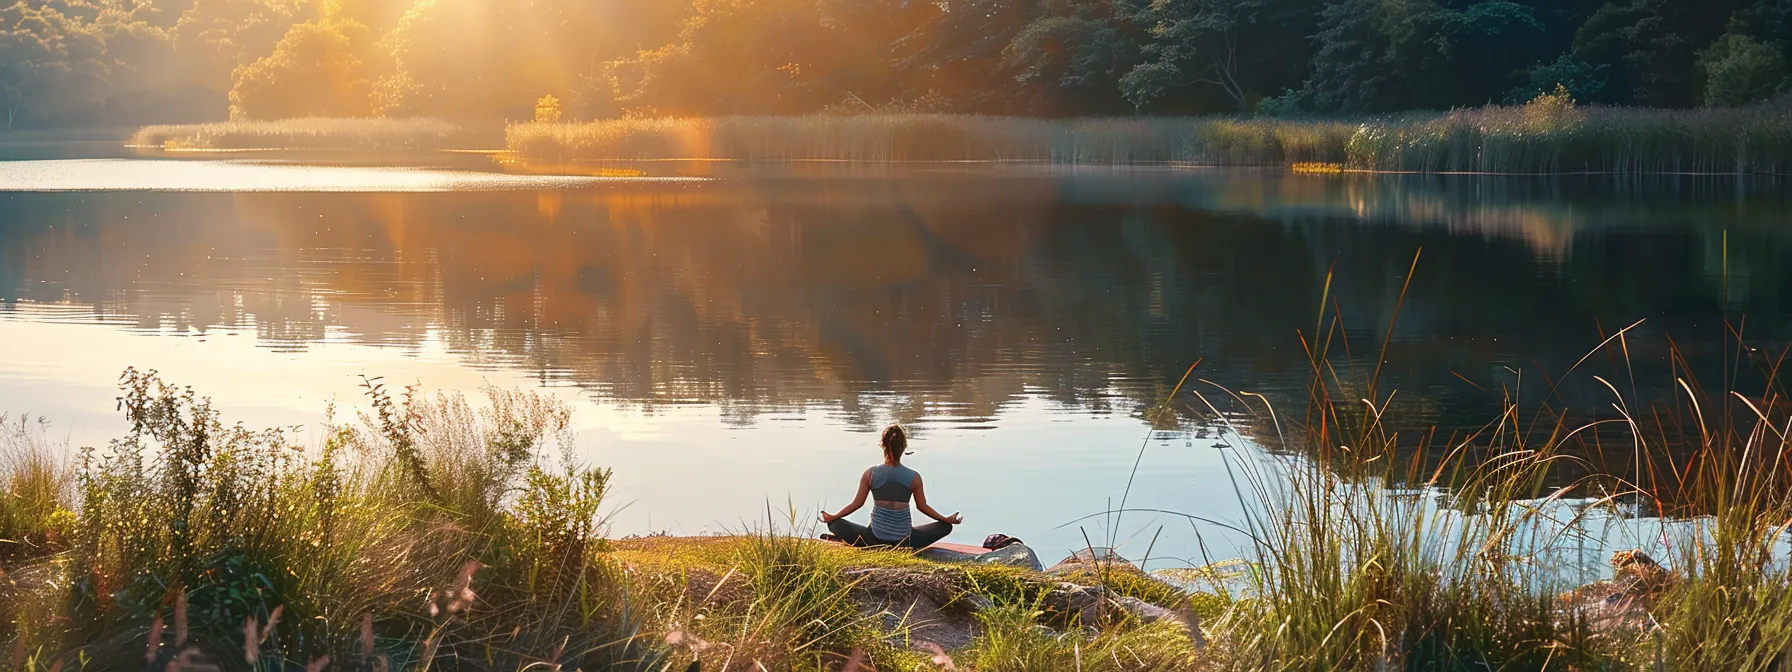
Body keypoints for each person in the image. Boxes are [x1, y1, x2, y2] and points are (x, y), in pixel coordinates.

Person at [820, 424, 962, 549]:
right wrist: (945, 519)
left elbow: (857, 504)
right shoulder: (914, 477)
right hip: (906, 541)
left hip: (873, 540)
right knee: (945, 527)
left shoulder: (870, 474)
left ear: (883, 446)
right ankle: (900, 545)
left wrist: (833, 517)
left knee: (835, 524)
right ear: (904, 447)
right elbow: (922, 506)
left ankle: (857, 542)